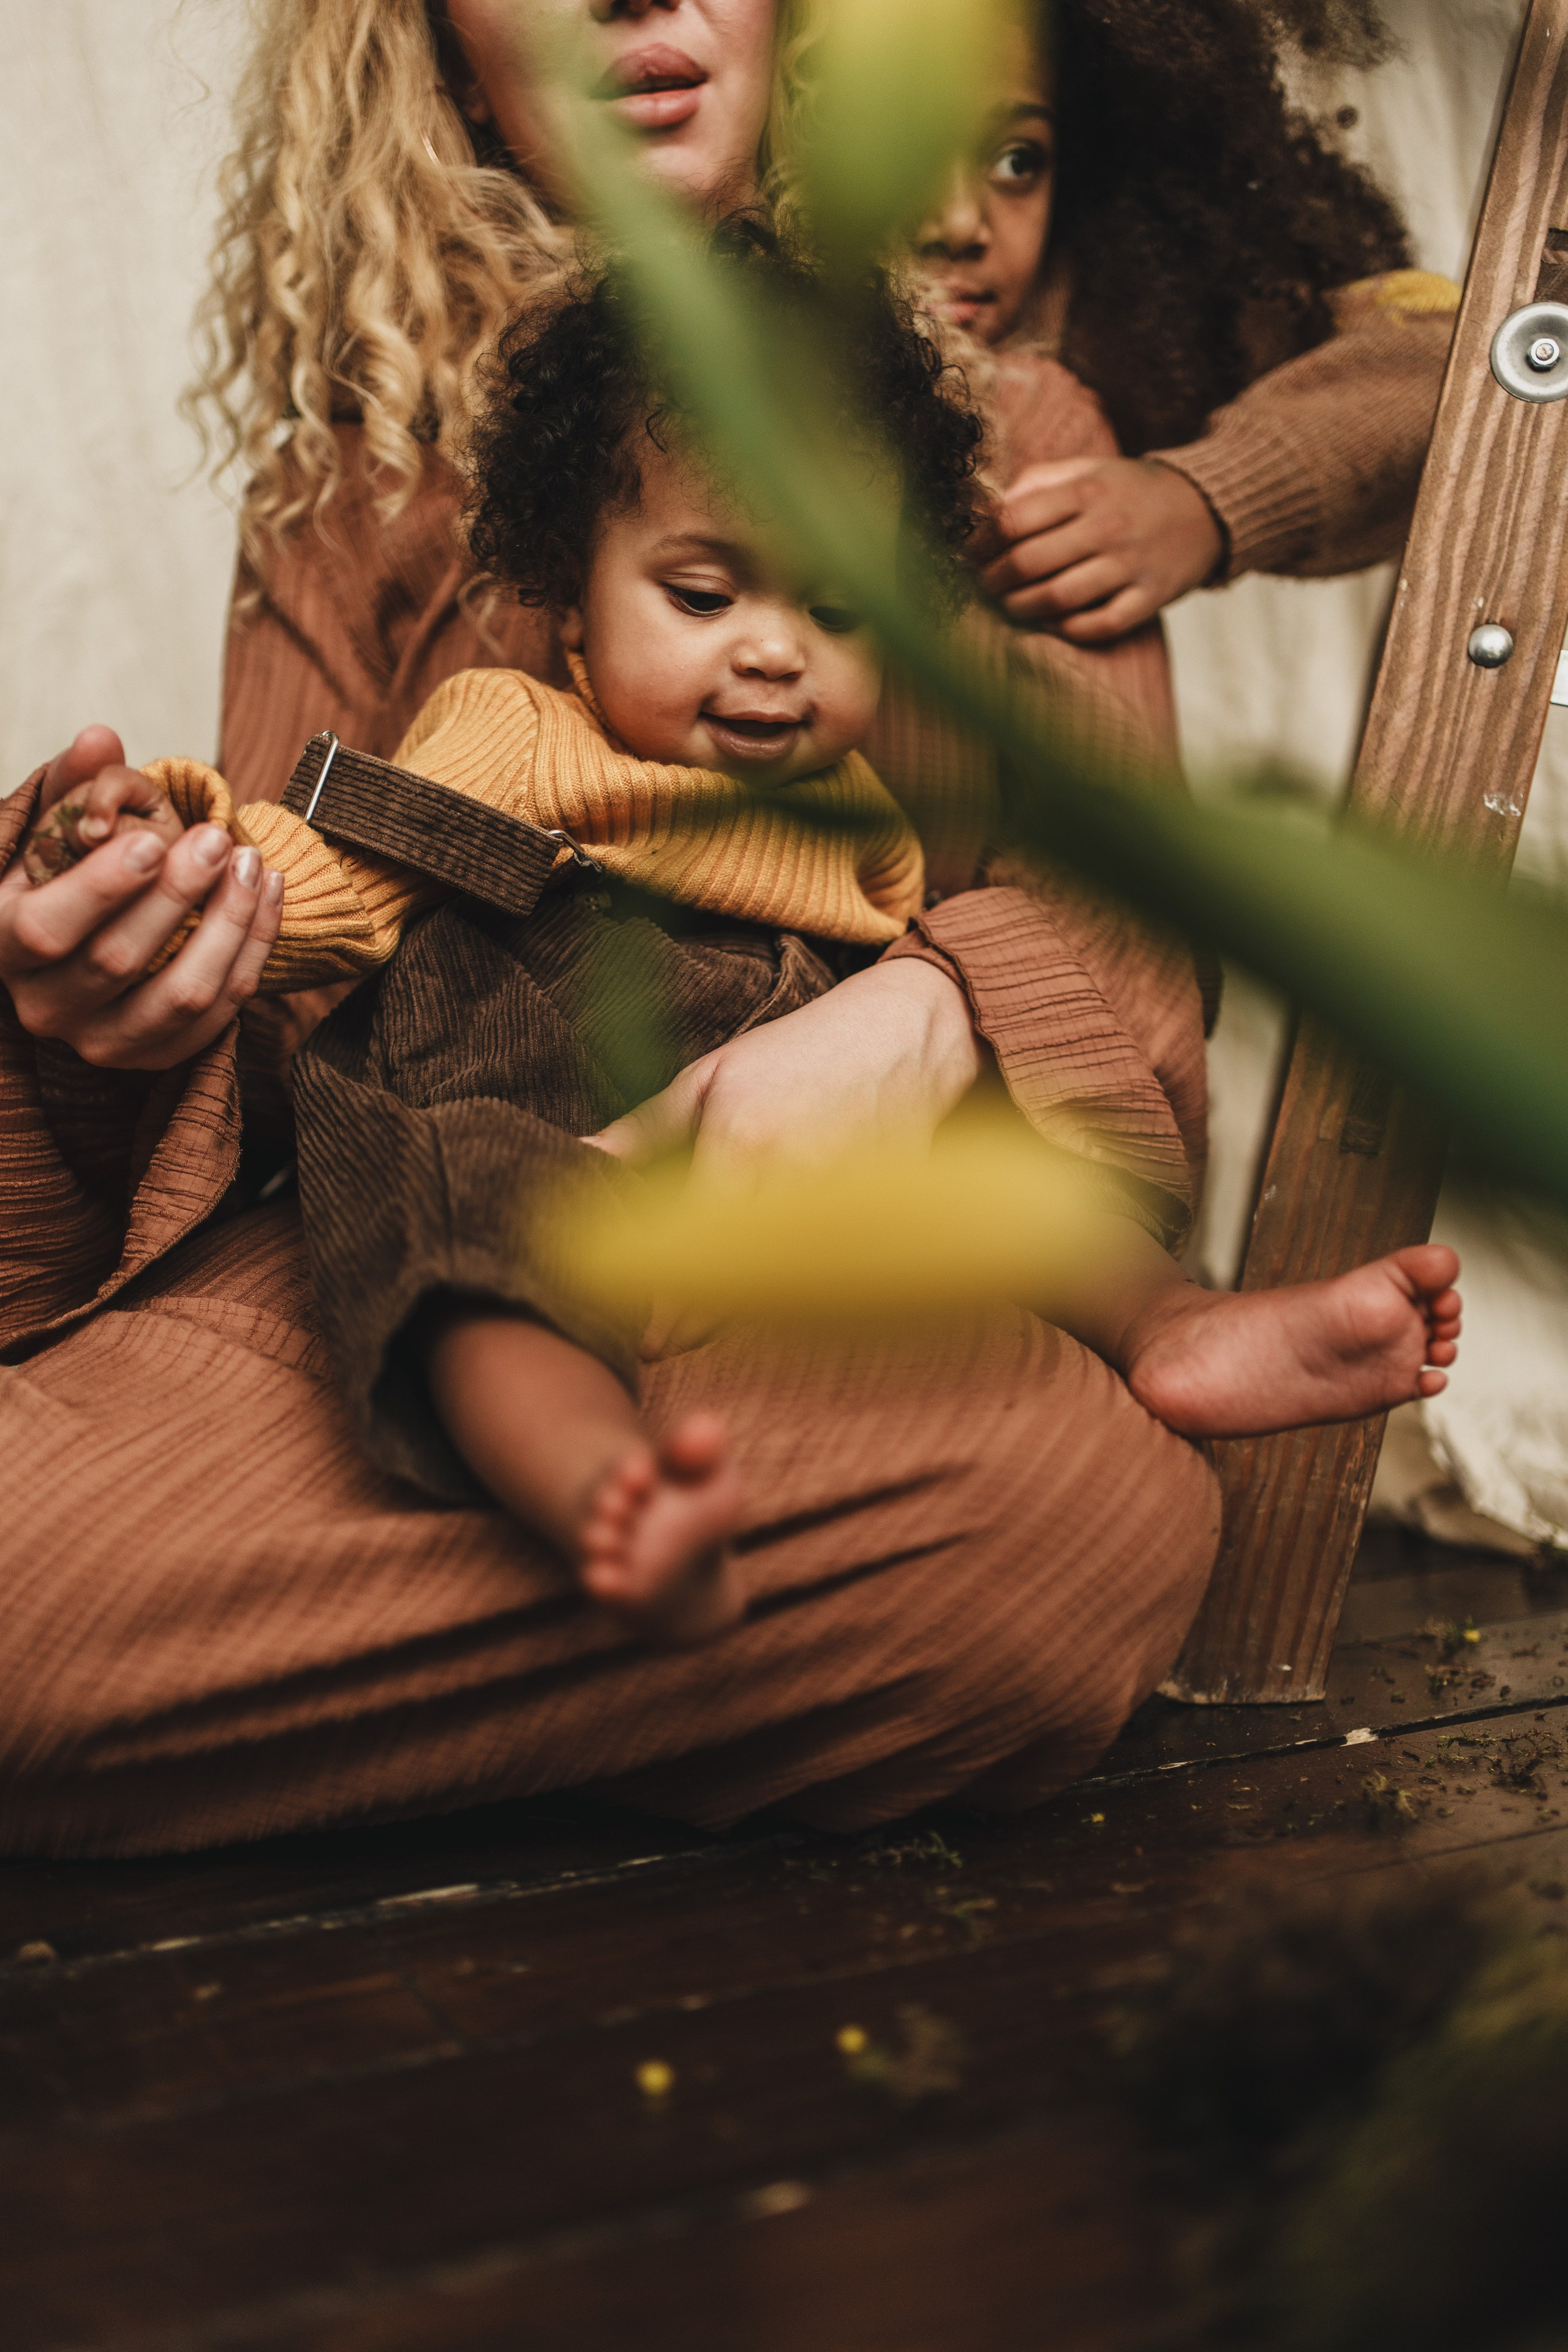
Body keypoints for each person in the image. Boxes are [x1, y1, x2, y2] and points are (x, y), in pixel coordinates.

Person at [16, 240, 1463, 1662]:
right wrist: (184, 856)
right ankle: (595, 1483)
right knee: (469, 1223)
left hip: (771, 1142)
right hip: (517, 1077)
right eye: (703, 599)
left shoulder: (862, 815)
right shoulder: (511, 729)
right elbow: (341, 863)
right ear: (570, 608)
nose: (773, 651)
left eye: (832, 606)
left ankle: (1169, 1326)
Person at [911, 0, 1458, 649]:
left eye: (1016, 161)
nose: (957, 223)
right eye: (899, 158)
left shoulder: (1100, 318)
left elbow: (1459, 359)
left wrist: (1205, 499)